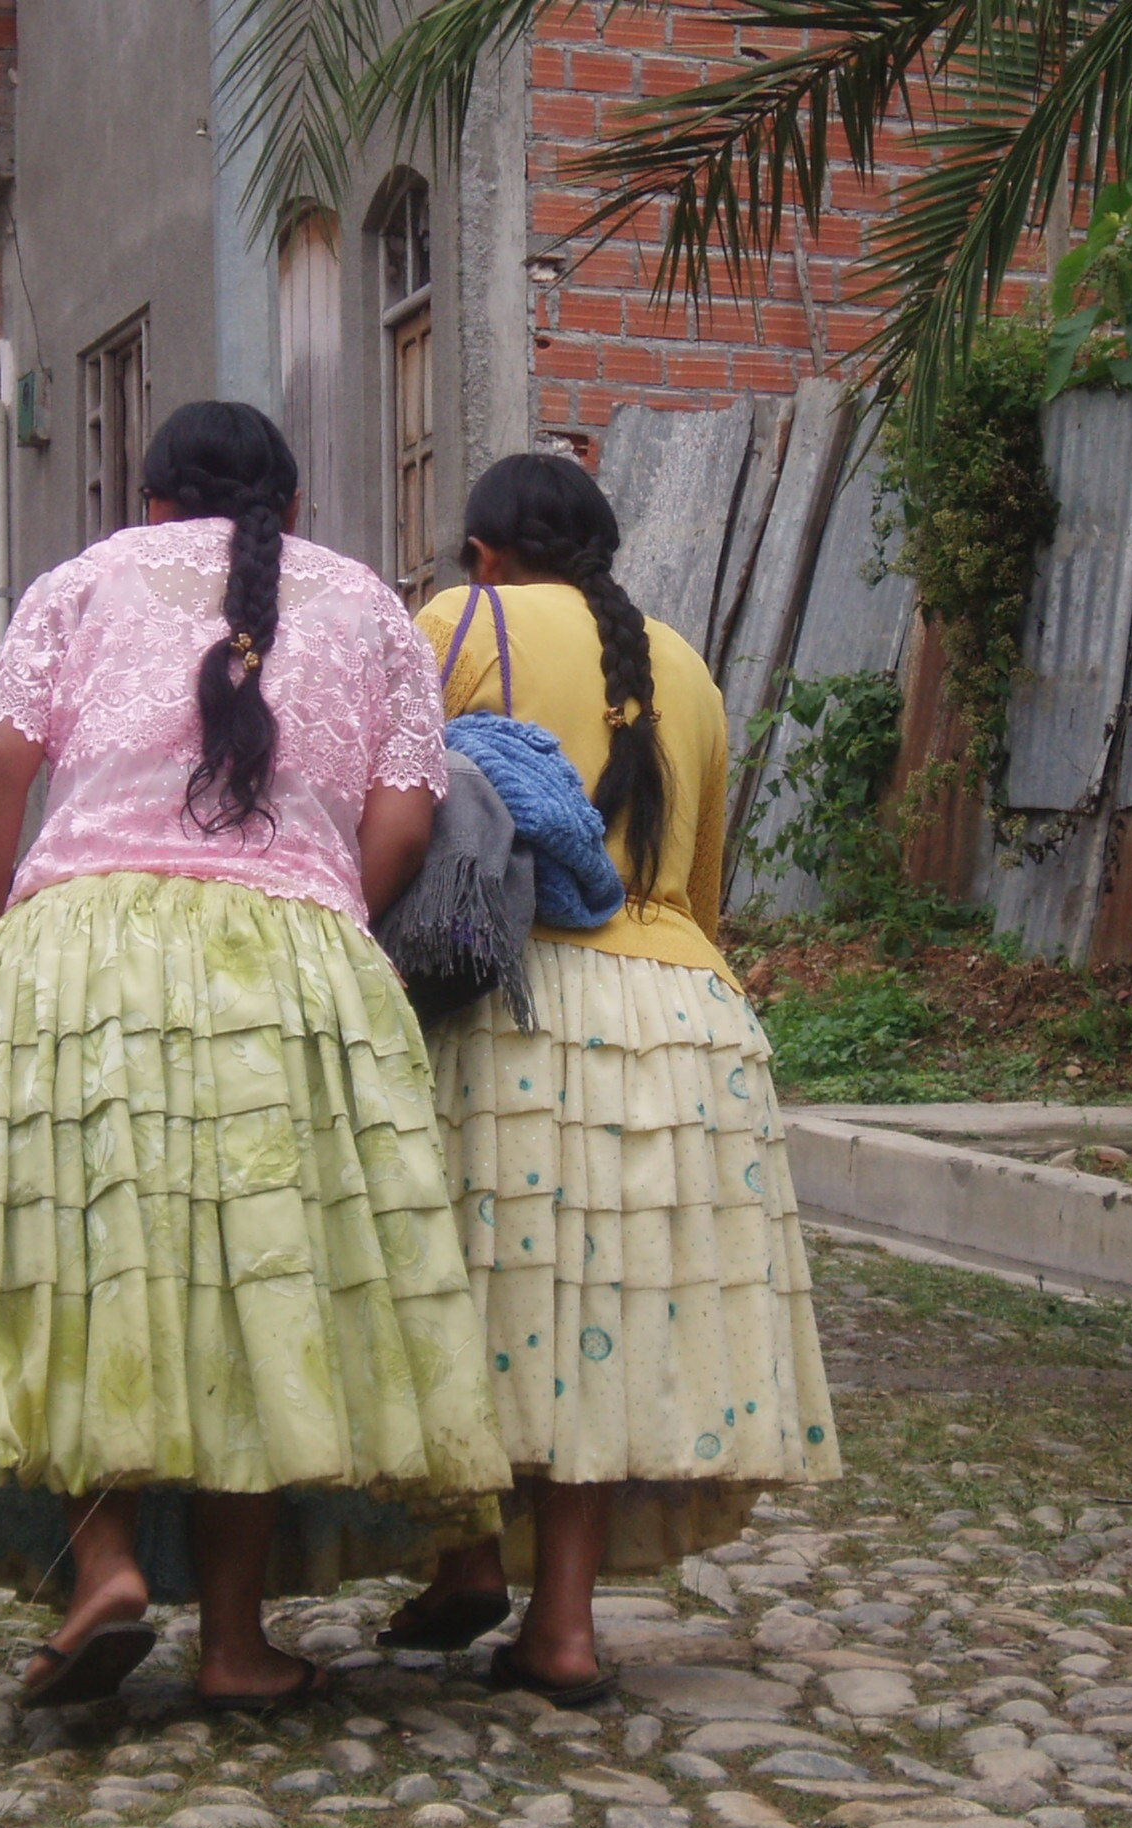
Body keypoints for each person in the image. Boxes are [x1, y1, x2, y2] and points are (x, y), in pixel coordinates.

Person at [0, 401, 511, 1711]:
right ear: (290, 509)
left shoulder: (81, 582)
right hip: (289, 970)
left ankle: (106, 1564)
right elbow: (407, 819)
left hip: (82, 958)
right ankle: (236, 1644)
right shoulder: (372, 610)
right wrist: (318, 906)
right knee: (255, 1285)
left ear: (153, 501)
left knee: (85, 1260)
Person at [385, 453, 841, 1704]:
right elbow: (702, 883)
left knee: (474, 1292)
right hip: (683, 1023)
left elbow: (396, 813)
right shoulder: (682, 663)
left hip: (518, 1002)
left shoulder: (454, 624)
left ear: (485, 554)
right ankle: (565, 1631)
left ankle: (467, 1556)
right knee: (595, 1326)